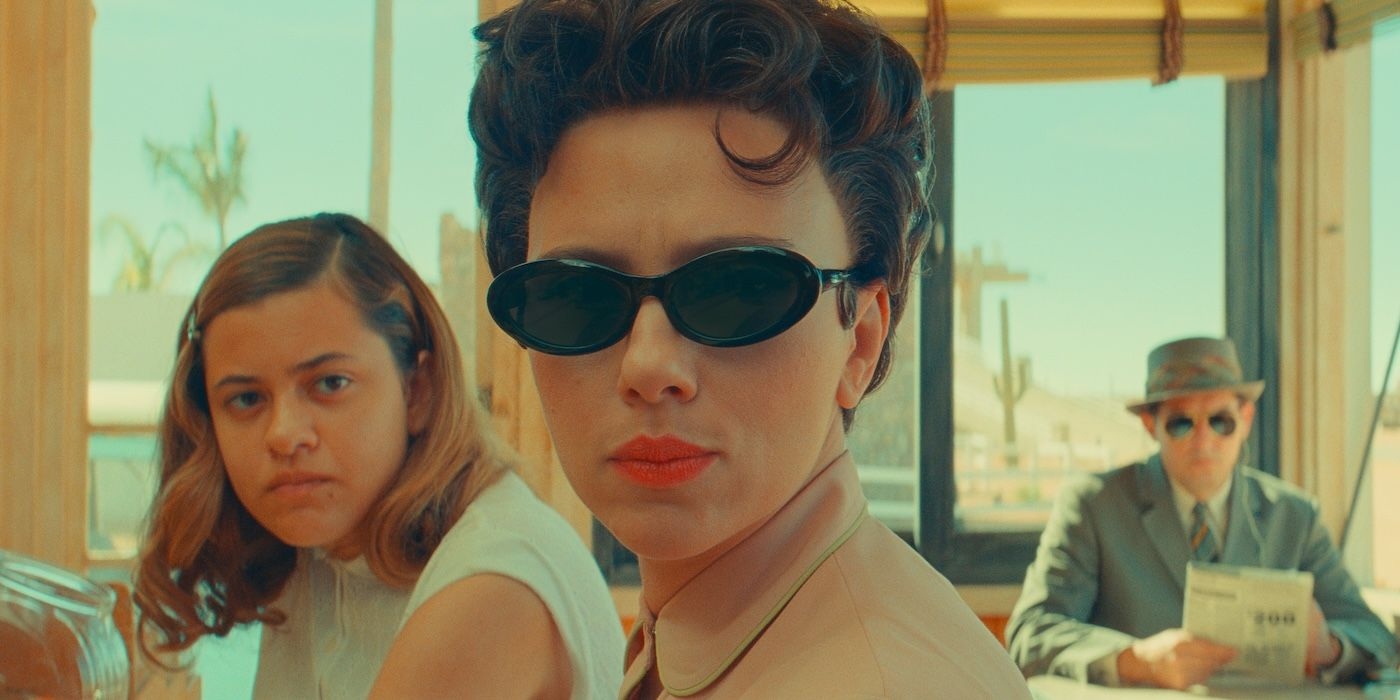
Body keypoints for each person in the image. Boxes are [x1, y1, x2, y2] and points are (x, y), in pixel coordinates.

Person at [469, 1, 1031, 698]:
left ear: (860, 339)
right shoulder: (700, 626)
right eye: (575, 296)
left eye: (739, 291)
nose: (648, 366)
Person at [133, 213, 625, 699]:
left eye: (330, 383)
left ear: (417, 389)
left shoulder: (490, 583)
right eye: (245, 399)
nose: (284, 435)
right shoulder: (317, 546)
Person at [1006, 336, 1400, 690]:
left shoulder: (1295, 517)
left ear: (1245, 420)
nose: (1203, 439)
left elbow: (1374, 636)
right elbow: (1030, 634)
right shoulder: (1093, 506)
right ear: (1150, 425)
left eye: (1220, 421)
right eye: (1181, 423)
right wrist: (1136, 660)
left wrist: (1330, 648)